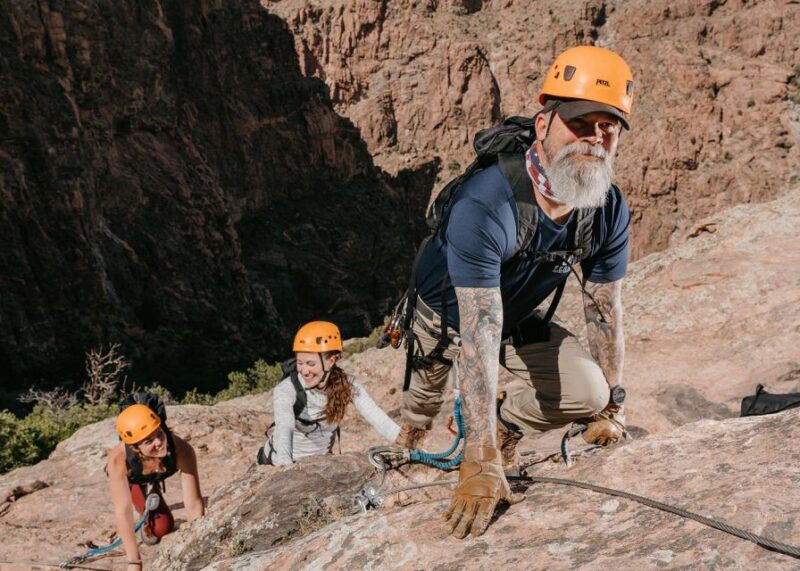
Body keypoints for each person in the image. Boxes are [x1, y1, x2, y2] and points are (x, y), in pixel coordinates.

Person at [397, 45, 635, 538]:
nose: (593, 138)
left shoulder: (605, 207)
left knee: (587, 393)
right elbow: (478, 330)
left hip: (518, 319)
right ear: (544, 123)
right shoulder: (488, 203)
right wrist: (478, 459)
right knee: (421, 403)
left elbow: (603, 308)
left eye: (607, 127)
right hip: (442, 316)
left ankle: (505, 425)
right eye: (580, 123)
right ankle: (407, 449)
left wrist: (612, 405)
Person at [259, 321, 401, 465]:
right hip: (277, 461)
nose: (304, 371)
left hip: (319, 462)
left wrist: (404, 440)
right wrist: (286, 466)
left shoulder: (347, 385)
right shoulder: (287, 389)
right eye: (299, 363)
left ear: (330, 361)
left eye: (310, 364)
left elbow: (374, 415)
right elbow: (284, 426)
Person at [107, 403, 204, 570]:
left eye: (159, 433)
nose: (159, 442)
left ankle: (153, 489)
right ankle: (146, 494)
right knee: (159, 528)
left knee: (163, 528)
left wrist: (200, 542)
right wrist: (134, 562)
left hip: (154, 470)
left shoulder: (181, 449)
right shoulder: (119, 461)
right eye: (148, 441)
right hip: (136, 480)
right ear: (135, 447)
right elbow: (123, 512)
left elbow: (193, 503)